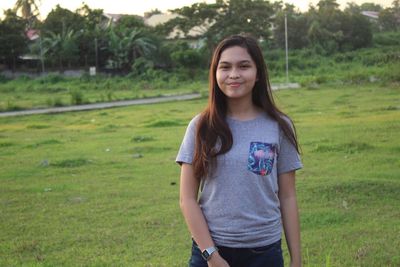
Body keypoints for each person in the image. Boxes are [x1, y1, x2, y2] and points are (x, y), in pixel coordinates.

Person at [176, 34, 303, 267]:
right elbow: (186, 199)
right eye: (225, 67)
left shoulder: (279, 126)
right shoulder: (200, 126)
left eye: (243, 66)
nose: (234, 74)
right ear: (215, 74)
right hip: (210, 249)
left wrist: (297, 259)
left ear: (258, 74)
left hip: (264, 253)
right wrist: (212, 256)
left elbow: (288, 196)